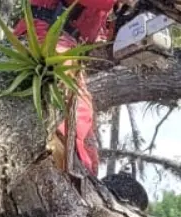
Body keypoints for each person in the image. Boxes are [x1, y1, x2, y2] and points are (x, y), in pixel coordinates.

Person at [13, 0, 137, 176]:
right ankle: (65, 167)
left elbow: (102, 38)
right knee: (72, 115)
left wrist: (124, 17)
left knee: (87, 132)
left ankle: (85, 178)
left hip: (70, 50)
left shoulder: (104, 11)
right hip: (46, 37)